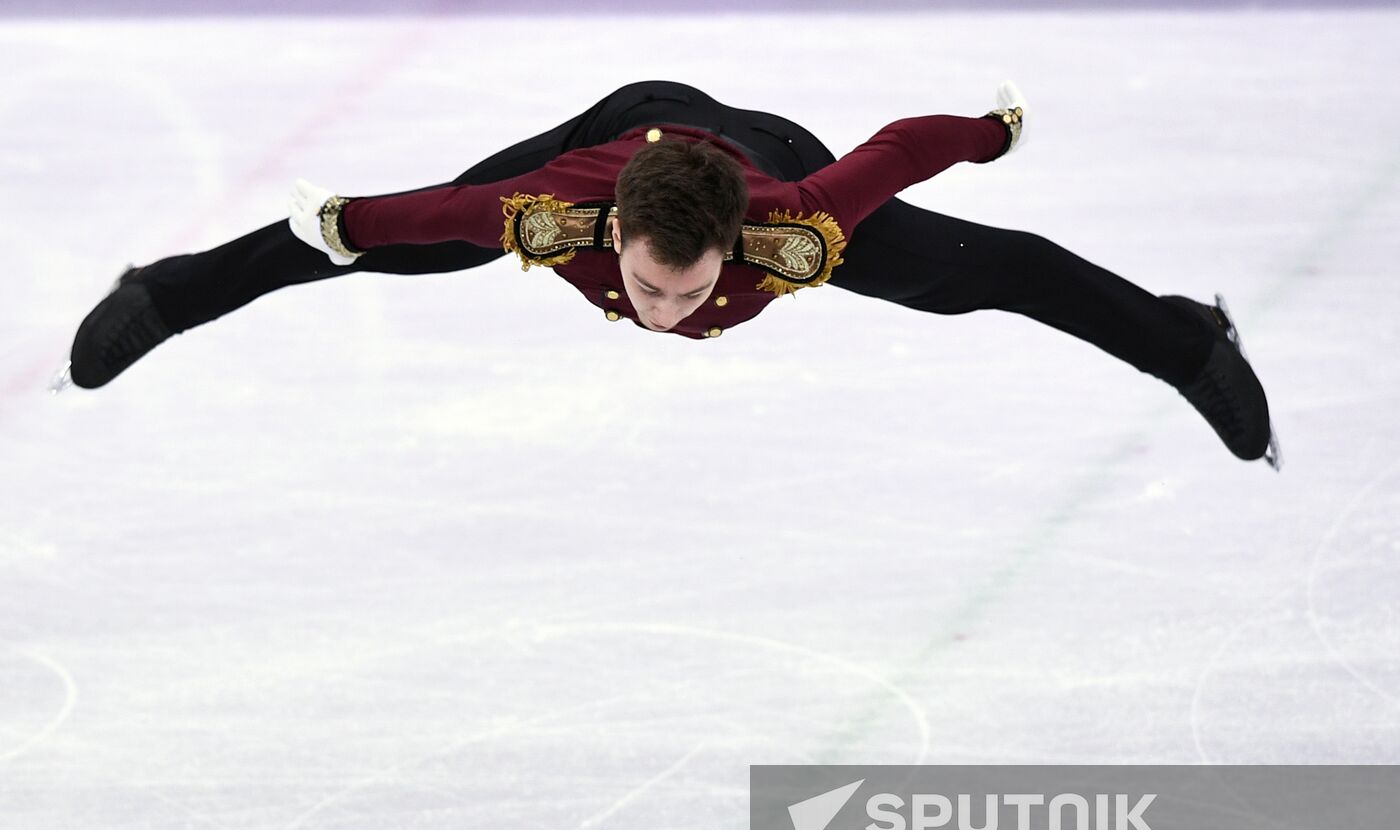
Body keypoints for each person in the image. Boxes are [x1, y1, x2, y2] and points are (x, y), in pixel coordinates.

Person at [54, 79, 1278, 468]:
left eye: (687, 299)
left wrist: (989, 135)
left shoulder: (793, 227)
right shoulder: (546, 219)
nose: (663, 315)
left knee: (978, 273)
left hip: (759, 155)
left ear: (726, 261)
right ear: (616, 247)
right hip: (631, 126)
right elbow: (392, 216)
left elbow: (899, 152)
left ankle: (1185, 342)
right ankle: (171, 289)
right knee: (401, 255)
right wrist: (342, 217)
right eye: (649, 290)